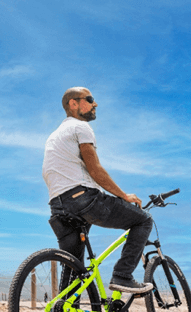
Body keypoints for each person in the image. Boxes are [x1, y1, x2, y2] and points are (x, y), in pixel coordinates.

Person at [43, 87, 154, 294]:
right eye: (90, 99)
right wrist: (124, 195)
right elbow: (95, 169)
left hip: (58, 206)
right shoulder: (80, 127)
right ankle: (123, 276)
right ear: (73, 104)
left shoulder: (54, 136)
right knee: (144, 220)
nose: (95, 104)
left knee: (73, 273)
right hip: (82, 199)